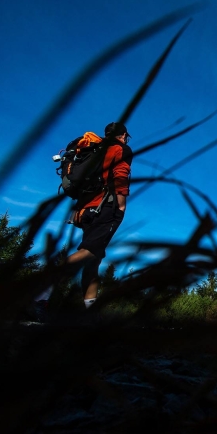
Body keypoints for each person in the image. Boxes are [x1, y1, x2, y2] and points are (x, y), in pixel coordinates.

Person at [65, 122, 132, 310]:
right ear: (123, 135)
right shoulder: (120, 149)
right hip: (106, 208)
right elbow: (121, 175)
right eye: (126, 136)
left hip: (84, 210)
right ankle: (39, 289)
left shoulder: (93, 150)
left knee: (94, 259)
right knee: (90, 252)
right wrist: (121, 207)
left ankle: (90, 312)